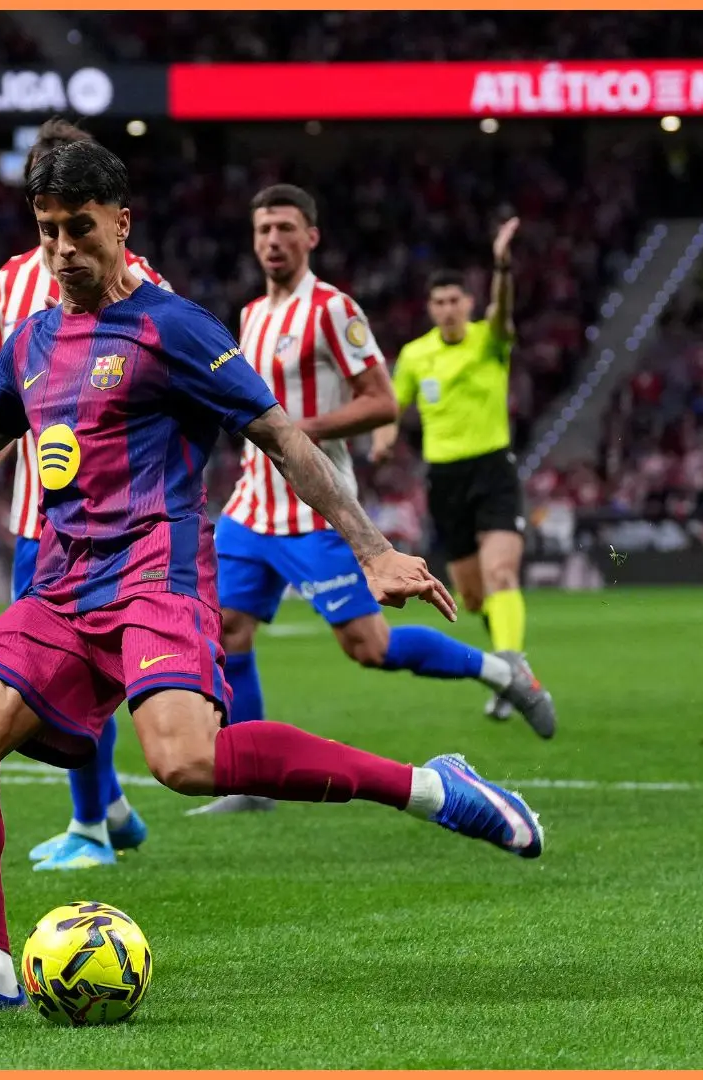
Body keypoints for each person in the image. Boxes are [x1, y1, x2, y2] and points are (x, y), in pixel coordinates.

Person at [0, 141, 546, 1015]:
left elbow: (281, 436)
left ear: (121, 223)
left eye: (79, 228)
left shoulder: (173, 327)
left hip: (156, 575)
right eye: (47, 231)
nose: (62, 249)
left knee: (184, 760)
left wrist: (370, 548)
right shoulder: (33, 340)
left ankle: (432, 787)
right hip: (63, 584)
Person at [195, 188, 555, 816]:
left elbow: (384, 402)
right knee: (227, 631)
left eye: (285, 228)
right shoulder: (250, 315)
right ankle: (252, 784)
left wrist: (303, 429)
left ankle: (503, 672)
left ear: (311, 237)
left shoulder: (333, 310)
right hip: (250, 506)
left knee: (370, 647)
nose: (273, 240)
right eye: (263, 229)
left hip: (314, 510)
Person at [0, 118, 169, 872]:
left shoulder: (143, 283)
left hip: (114, 524)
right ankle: (109, 811)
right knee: (50, 674)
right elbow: (15, 399)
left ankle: (91, 825)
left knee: (75, 676)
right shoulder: (10, 282)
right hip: (37, 517)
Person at [370, 219, 541, 723]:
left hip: (492, 470)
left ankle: (511, 671)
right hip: (444, 480)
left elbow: (503, 313)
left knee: (501, 571)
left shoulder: (490, 339)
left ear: (469, 303)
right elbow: (392, 407)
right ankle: (511, 671)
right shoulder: (415, 355)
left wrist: (502, 266)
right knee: (473, 594)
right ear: (431, 307)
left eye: (455, 300)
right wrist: (383, 441)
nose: (447, 309)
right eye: (439, 302)